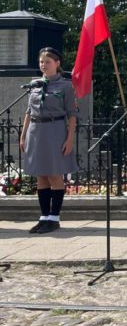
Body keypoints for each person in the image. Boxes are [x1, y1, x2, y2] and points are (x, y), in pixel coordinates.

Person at [19, 47, 78, 234]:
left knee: (54, 175)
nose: (44, 65)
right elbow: (29, 112)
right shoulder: (34, 84)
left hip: (55, 130)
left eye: (48, 62)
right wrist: (23, 135)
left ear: (57, 63)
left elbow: (72, 114)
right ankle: (44, 217)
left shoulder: (66, 86)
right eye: (41, 62)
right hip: (36, 132)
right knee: (41, 175)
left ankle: (54, 218)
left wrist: (69, 139)